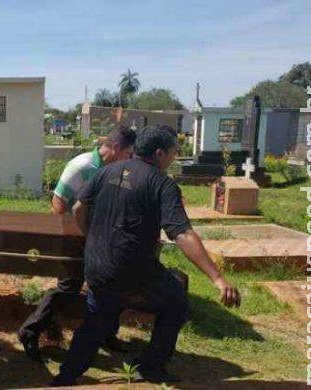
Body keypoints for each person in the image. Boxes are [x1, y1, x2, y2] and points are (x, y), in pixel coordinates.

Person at [51, 125, 241, 385]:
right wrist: (217, 278)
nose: (174, 158)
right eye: (174, 153)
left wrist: (92, 239)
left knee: (98, 316)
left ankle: (67, 375)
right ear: (160, 153)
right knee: (176, 302)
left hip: (96, 266)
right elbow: (182, 233)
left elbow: (78, 207)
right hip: (133, 274)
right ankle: (151, 367)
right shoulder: (161, 184)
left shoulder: (108, 171)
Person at [18, 127, 137, 363]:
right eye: (129, 153)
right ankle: (29, 332)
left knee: (112, 285)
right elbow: (58, 203)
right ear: (115, 148)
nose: (130, 158)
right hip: (77, 239)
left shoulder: (118, 169)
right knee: (68, 288)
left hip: (102, 239)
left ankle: (106, 334)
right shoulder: (82, 167)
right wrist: (75, 238)